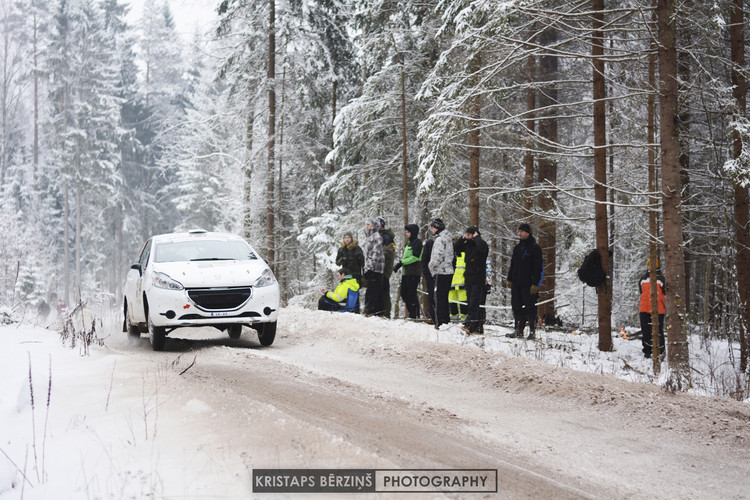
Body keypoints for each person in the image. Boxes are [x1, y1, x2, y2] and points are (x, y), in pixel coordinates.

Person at [505, 223, 543, 340]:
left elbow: (538, 267)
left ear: (528, 233)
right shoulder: (518, 248)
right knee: (516, 306)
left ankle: (532, 331)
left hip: (528, 284)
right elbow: (513, 264)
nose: (519, 233)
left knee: (530, 308)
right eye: (519, 231)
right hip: (516, 282)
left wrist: (535, 284)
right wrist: (510, 278)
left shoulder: (535, 248)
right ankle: (518, 329)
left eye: (522, 231)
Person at [454, 226, 489, 334]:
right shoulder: (468, 246)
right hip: (468, 278)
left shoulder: (481, 244)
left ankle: (470, 325)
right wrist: (462, 238)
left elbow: (482, 249)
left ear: (475, 235)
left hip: (478, 278)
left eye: (469, 235)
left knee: (474, 303)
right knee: (470, 302)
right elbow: (456, 248)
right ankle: (477, 326)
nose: (467, 237)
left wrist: (477, 237)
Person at [428, 218, 454, 328]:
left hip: (440, 271)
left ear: (437, 228)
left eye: (432, 227)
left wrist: (431, 266)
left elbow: (437, 257)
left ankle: (440, 322)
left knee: (439, 298)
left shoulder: (439, 240)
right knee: (444, 297)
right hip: (448, 271)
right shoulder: (448, 239)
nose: (430, 229)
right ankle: (445, 320)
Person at [393, 224, 422, 319]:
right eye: (406, 232)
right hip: (406, 272)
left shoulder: (417, 242)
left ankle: (415, 313)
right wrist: (400, 263)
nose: (406, 234)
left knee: (411, 293)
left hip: (414, 272)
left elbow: (415, 257)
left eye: (408, 232)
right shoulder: (409, 243)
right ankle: (411, 312)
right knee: (404, 293)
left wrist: (402, 262)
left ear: (413, 233)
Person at [639, 262, 666, 359]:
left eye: (653, 264)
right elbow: (641, 292)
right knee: (646, 331)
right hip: (644, 309)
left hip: (658, 309)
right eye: (649, 264)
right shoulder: (643, 279)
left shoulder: (661, 279)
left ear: (657, 266)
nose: (651, 266)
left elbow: (665, 293)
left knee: (658, 331)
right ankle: (647, 351)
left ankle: (661, 351)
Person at [363, 217, 385, 316]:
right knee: (372, 290)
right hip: (371, 268)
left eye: (368, 224)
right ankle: (372, 310)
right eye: (366, 224)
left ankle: (373, 311)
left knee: (373, 291)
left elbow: (377, 252)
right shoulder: (370, 236)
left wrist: (370, 267)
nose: (366, 226)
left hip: (376, 269)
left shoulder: (376, 236)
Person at [378, 217, 396, 318]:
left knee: (384, 290)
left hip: (384, 268)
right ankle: (381, 311)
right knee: (380, 290)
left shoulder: (386, 237)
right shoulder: (380, 236)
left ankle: (385, 313)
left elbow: (388, 252)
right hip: (380, 267)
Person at [421, 230, 437, 324]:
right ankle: (433, 316)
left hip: (437, 273)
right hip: (430, 273)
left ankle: (436, 317)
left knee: (435, 296)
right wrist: (426, 271)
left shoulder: (440, 242)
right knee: (431, 295)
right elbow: (424, 258)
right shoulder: (429, 243)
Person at [448, 251, 467, 321]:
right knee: (452, 301)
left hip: (461, 282)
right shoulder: (449, 254)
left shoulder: (464, 254)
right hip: (451, 282)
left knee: (463, 301)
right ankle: (453, 318)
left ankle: (464, 319)